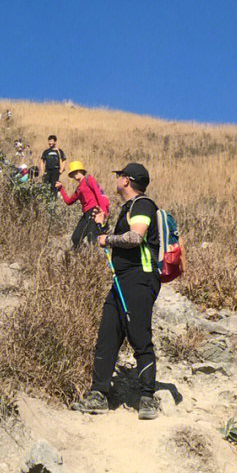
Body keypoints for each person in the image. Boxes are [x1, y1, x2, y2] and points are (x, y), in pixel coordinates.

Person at [73, 162, 160, 420]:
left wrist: (107, 238)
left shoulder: (143, 205)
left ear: (127, 180)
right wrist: (103, 228)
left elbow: (135, 238)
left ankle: (147, 397)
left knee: (139, 335)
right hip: (122, 279)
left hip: (140, 279)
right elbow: (117, 242)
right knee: (107, 335)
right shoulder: (129, 208)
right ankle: (98, 394)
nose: (117, 179)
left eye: (120, 175)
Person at [57, 161, 110, 247]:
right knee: (76, 238)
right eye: (73, 173)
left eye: (77, 171)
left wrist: (103, 212)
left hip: (94, 211)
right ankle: (83, 255)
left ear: (81, 171)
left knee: (92, 238)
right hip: (86, 214)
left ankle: (94, 257)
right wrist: (61, 189)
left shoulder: (89, 179)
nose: (75, 175)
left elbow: (98, 194)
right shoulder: (78, 189)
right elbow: (68, 201)